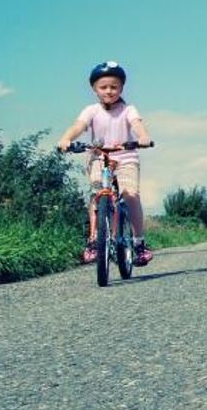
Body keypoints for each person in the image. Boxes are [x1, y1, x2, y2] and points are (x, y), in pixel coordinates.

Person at [57, 61, 155, 265]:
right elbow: (78, 126)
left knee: (130, 195)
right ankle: (94, 240)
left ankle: (139, 243)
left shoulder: (128, 110)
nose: (109, 91)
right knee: (96, 194)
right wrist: (66, 138)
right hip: (99, 157)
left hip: (125, 157)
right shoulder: (91, 110)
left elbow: (137, 125)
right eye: (103, 87)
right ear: (94, 89)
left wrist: (143, 137)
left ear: (121, 88)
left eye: (114, 87)